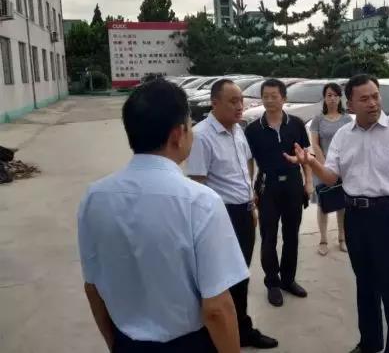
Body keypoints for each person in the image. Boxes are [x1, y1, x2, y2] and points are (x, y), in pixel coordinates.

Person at [77, 78, 248, 353]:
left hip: (127, 342)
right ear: (178, 134)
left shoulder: (94, 197)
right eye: (190, 125)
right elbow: (216, 308)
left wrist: (117, 344)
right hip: (188, 344)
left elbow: (92, 287)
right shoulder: (201, 202)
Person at [286, 74, 389, 353]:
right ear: (350, 104)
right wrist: (310, 163)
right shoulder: (343, 135)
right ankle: (370, 344)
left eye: (375, 96)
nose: (373, 103)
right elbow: (331, 177)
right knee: (366, 285)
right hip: (356, 218)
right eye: (364, 99)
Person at [187, 78, 279, 349]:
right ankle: (222, 334)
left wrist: (251, 203)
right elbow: (197, 184)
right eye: (233, 101)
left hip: (244, 213)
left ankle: (240, 329)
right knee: (222, 279)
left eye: (241, 100)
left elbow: (245, 166)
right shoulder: (201, 136)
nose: (240, 106)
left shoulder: (238, 130)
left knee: (240, 274)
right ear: (214, 103)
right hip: (220, 216)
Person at [244, 78, 313, 307]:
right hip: (267, 185)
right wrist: (250, 188)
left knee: (292, 235)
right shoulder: (253, 129)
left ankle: (288, 279)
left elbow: (305, 156)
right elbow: (249, 162)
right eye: (265, 96)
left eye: (274, 96)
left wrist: (308, 182)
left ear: (284, 98)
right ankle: (272, 283)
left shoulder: (296, 124)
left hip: (293, 183)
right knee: (269, 236)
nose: (269, 100)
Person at [310, 82, 353, 256]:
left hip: (343, 168)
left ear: (340, 98)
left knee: (342, 204)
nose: (332, 98)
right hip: (322, 167)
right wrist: (326, 166)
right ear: (324, 98)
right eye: (329, 95)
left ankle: (342, 238)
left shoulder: (347, 119)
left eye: (336, 95)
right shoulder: (318, 119)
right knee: (324, 204)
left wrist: (341, 166)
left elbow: (350, 144)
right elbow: (315, 144)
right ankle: (323, 240)